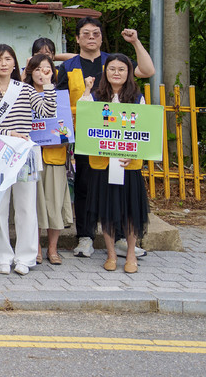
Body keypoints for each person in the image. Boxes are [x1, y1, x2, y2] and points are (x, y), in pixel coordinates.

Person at [56, 19, 154, 259]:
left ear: (101, 38)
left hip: (120, 139)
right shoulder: (68, 67)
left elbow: (148, 71)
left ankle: (121, 238)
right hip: (84, 139)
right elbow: (59, 103)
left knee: (118, 187)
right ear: (77, 38)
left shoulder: (114, 62)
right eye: (86, 34)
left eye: (96, 34)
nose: (91, 37)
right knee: (84, 187)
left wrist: (135, 42)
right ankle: (85, 237)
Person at [0, 44, 55, 276]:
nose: (3, 63)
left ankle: (26, 257)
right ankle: (1, 255)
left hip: (24, 154)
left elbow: (47, 112)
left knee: (26, 207)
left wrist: (48, 82)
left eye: (8, 59)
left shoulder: (26, 90)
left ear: (15, 63)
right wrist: (8, 134)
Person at [80, 54, 148, 274]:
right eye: (112, 69)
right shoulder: (97, 96)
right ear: (105, 72)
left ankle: (130, 254)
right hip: (102, 163)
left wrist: (134, 154)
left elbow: (145, 130)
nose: (116, 73)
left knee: (130, 210)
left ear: (129, 73)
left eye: (121, 69)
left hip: (129, 163)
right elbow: (84, 120)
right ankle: (110, 254)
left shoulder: (138, 98)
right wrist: (87, 91)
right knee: (106, 209)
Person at [25, 54, 72, 266]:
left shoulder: (61, 96)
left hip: (54, 156)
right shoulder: (22, 94)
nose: (42, 73)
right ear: (29, 72)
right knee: (33, 204)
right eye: (37, 69)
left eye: (46, 69)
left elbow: (66, 129)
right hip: (31, 157)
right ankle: (35, 247)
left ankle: (52, 248)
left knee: (54, 205)